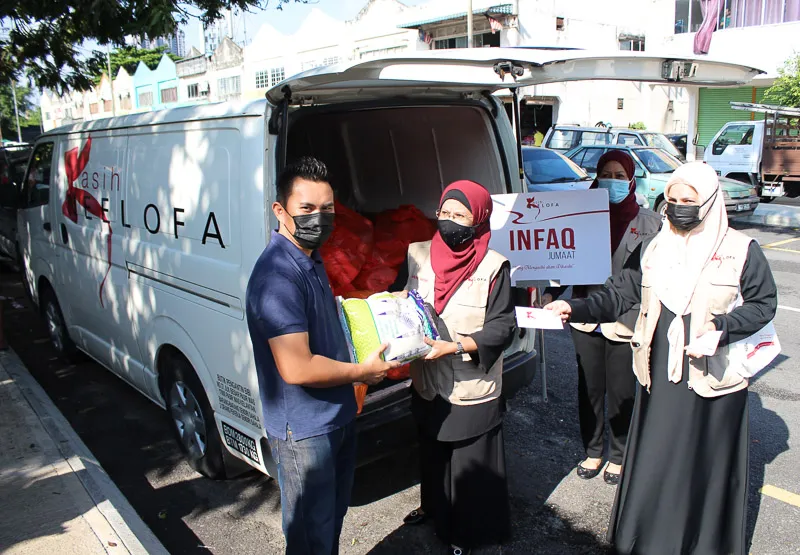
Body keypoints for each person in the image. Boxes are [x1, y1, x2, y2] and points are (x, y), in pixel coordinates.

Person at [545, 162, 778, 555]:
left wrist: (722, 328)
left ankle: (699, 543)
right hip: (660, 376)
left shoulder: (740, 250)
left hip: (711, 382)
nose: (678, 207)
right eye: (671, 200)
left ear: (709, 201)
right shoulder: (655, 247)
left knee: (699, 465)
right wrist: (574, 308)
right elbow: (620, 295)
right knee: (657, 459)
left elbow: (763, 304)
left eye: (689, 200)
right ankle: (649, 539)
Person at [245, 157, 400, 554]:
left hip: (337, 416)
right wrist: (361, 372)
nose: (320, 218)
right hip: (305, 430)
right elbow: (296, 367)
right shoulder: (278, 276)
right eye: (307, 209)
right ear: (280, 211)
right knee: (311, 535)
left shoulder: (311, 258)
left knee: (330, 520)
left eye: (327, 209)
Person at [393, 180, 516, 555]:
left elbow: (503, 326)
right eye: (444, 212)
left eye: (460, 215)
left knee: (468, 465)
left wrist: (457, 346)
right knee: (431, 452)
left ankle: (467, 533)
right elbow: (400, 297)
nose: (449, 221)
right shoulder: (417, 253)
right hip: (427, 380)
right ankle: (434, 511)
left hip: (468, 384)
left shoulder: (494, 266)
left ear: (478, 220)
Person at [541, 150, 661, 485]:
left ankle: (619, 456)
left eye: (619, 176)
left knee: (622, 391)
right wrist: (553, 291)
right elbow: (565, 258)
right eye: (606, 174)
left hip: (625, 319)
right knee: (589, 390)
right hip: (583, 314)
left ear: (632, 180)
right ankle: (593, 451)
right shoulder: (581, 216)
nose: (612, 181)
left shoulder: (650, 223)